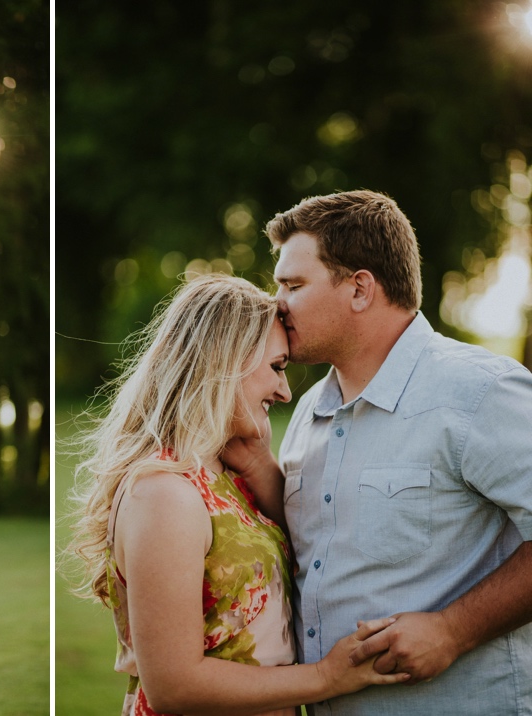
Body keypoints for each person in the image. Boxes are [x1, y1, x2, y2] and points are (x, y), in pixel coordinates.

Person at [236, 189, 532, 714]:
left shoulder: (480, 392)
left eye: (293, 285)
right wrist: (263, 473)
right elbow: (329, 540)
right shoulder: (308, 410)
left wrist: (454, 630)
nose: (275, 302)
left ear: (360, 289)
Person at [64, 274, 408, 716]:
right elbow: (174, 685)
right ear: (223, 361)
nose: (285, 391)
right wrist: (327, 676)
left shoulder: (223, 475)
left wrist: (257, 462)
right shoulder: (164, 493)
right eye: (277, 368)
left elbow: (308, 548)